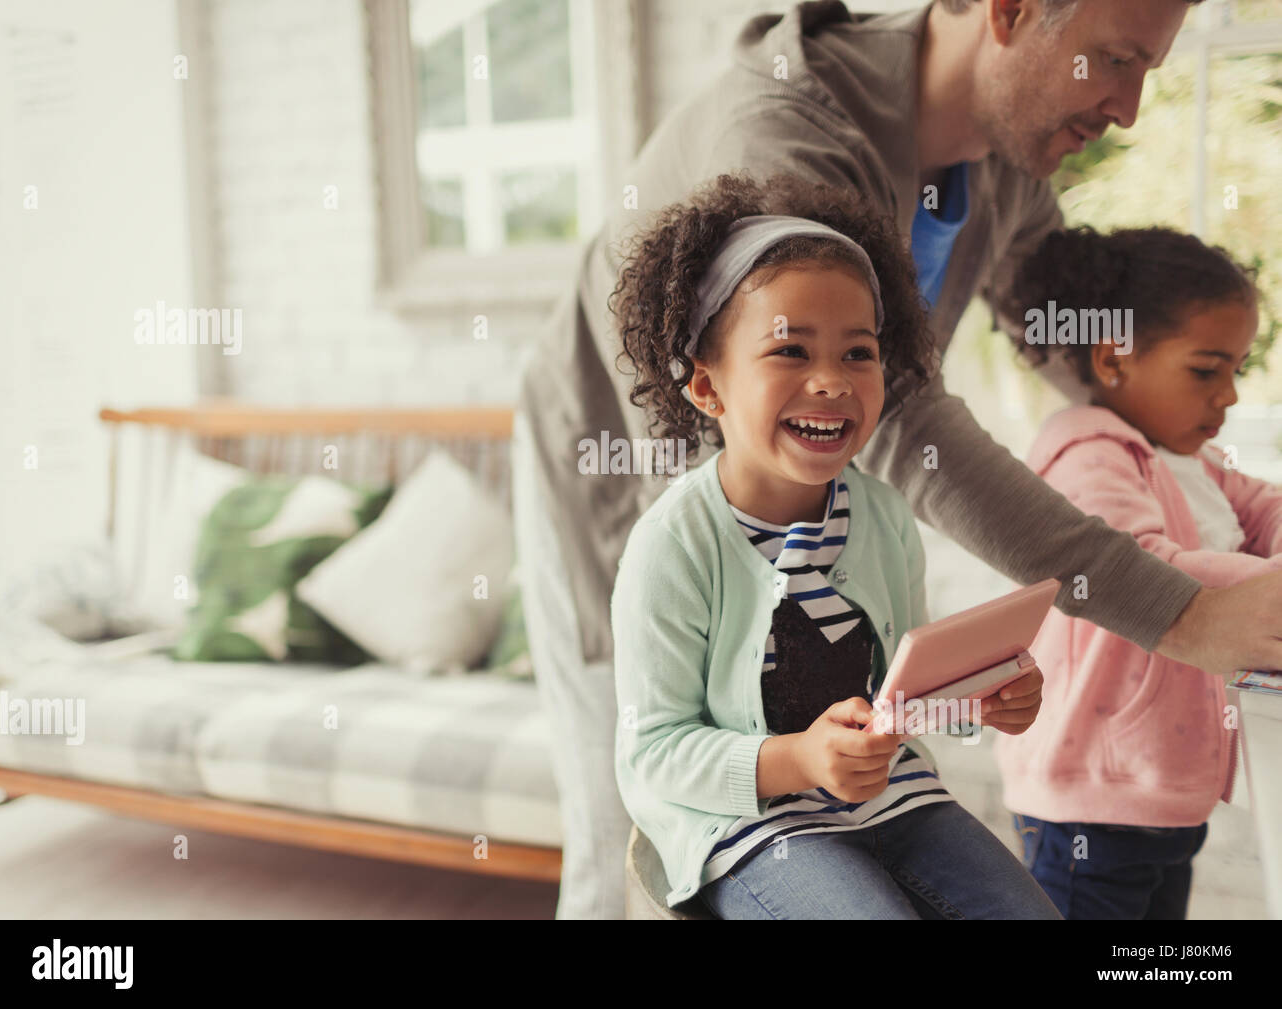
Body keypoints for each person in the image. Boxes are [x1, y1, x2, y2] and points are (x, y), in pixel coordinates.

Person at [513, 0, 1282, 921]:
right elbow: (903, 422)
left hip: (815, 572)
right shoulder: (782, 125)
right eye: (1114, 60)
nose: (1128, 108)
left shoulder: (1005, 167)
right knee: (621, 833)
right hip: (617, 468)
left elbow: (1075, 347)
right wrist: (1177, 609)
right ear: (1011, 12)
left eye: (1148, 70)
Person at [610, 171, 1059, 918]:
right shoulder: (673, 544)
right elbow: (651, 752)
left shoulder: (881, 516)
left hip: (895, 803)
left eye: (858, 352)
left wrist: (980, 697)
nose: (831, 381)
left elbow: (897, 700)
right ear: (707, 388)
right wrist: (796, 758)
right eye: (790, 353)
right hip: (753, 827)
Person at [993, 226, 1282, 919]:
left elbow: (1264, 508)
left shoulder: (1186, 460)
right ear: (1113, 358)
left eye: (1238, 369)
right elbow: (1148, 565)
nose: (1231, 396)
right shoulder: (1088, 451)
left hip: (1166, 790)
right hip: (1091, 800)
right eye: (1207, 370)